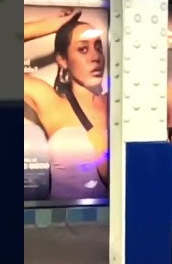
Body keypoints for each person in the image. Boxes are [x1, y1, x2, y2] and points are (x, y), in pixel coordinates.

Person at [23, 16, 109, 200]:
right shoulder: (52, 103)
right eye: (83, 49)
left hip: (114, 217)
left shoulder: (117, 104)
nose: (95, 57)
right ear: (63, 60)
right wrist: (54, 24)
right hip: (63, 217)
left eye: (98, 48)